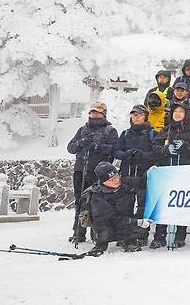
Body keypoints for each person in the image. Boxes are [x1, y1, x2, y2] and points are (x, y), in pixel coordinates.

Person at [149, 102, 190, 249]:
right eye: (175, 111)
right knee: (164, 204)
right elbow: (155, 146)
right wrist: (165, 149)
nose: (177, 114)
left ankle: (180, 236)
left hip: (184, 173)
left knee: (182, 204)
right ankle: (160, 236)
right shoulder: (166, 130)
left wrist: (187, 147)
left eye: (181, 111)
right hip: (167, 171)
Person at [67, 101, 119, 244]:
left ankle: (98, 233)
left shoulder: (110, 131)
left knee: (98, 204)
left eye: (97, 112)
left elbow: (114, 150)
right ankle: (78, 232)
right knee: (80, 201)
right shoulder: (82, 129)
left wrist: (98, 146)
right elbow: (70, 148)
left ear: (103, 114)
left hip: (99, 173)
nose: (94, 114)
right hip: (80, 169)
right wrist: (81, 143)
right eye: (92, 112)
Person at [77, 162, 151, 255]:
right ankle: (101, 243)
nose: (116, 180)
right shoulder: (96, 196)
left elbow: (142, 182)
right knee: (104, 227)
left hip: (125, 220)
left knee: (137, 226)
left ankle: (129, 240)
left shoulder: (125, 183)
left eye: (116, 176)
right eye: (111, 180)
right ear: (103, 182)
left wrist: (151, 173)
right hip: (106, 224)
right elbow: (112, 218)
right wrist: (137, 222)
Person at [112, 105, 156, 246]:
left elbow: (157, 154)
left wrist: (143, 155)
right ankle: (124, 236)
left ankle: (141, 236)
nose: (136, 117)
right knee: (124, 207)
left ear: (145, 116)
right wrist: (126, 155)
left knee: (143, 207)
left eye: (139, 114)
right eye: (134, 114)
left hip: (144, 177)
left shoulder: (152, 133)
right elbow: (116, 151)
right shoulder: (125, 134)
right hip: (126, 176)